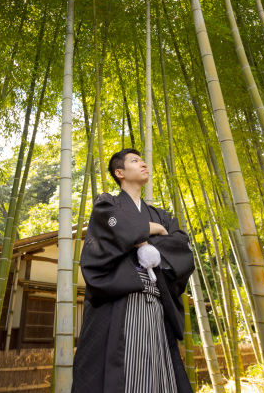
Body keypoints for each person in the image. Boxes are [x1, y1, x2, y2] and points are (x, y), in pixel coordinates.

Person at [72, 148, 195, 393]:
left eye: (143, 160)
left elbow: (181, 245)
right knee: (121, 374)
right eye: (135, 161)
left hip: (156, 303)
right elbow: (118, 229)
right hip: (119, 303)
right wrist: (158, 231)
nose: (143, 164)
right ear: (120, 172)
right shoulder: (106, 204)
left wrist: (142, 237)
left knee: (158, 372)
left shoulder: (161, 214)